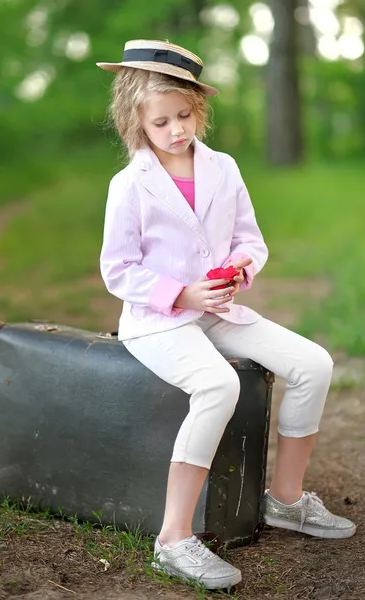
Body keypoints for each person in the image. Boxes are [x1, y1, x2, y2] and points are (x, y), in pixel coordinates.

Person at [97, 39, 356, 590]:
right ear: (135, 123)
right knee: (218, 385)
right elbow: (118, 271)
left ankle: (285, 501)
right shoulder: (130, 186)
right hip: (158, 319)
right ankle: (173, 539)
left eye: (185, 115)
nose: (176, 130)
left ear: (199, 108)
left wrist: (240, 266)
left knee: (313, 363)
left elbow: (249, 239)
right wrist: (181, 294)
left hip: (218, 308)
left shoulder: (223, 167)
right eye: (161, 121)